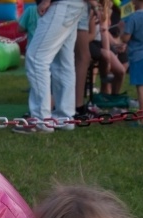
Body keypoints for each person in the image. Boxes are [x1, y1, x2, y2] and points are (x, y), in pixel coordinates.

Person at [13, 0, 95, 133]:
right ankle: (64, 118)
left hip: (61, 5)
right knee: (63, 62)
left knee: (36, 59)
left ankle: (41, 120)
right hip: (73, 5)